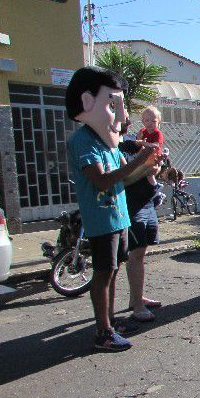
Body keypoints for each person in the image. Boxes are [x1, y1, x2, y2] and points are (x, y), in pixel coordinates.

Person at [65, 66, 160, 351]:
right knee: (103, 274)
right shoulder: (83, 141)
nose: (121, 116)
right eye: (112, 104)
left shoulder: (109, 141)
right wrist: (139, 159)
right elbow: (103, 180)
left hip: (119, 217)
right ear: (87, 102)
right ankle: (102, 332)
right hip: (101, 219)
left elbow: (125, 178)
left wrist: (148, 166)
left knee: (114, 270)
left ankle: (110, 321)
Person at [118, 117, 163, 322]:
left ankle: (136, 297)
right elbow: (124, 179)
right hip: (132, 204)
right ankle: (136, 305)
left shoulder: (133, 142)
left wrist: (155, 167)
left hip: (146, 201)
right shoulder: (116, 147)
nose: (128, 121)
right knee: (134, 255)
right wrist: (147, 167)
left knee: (140, 254)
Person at [136, 106, 166, 206]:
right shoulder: (142, 132)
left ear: (158, 122)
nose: (150, 123)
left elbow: (156, 145)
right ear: (143, 121)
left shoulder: (158, 133)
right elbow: (137, 143)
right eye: (147, 120)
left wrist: (145, 144)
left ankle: (156, 190)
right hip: (144, 157)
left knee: (149, 174)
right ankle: (153, 190)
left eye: (153, 121)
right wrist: (139, 141)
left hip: (154, 157)